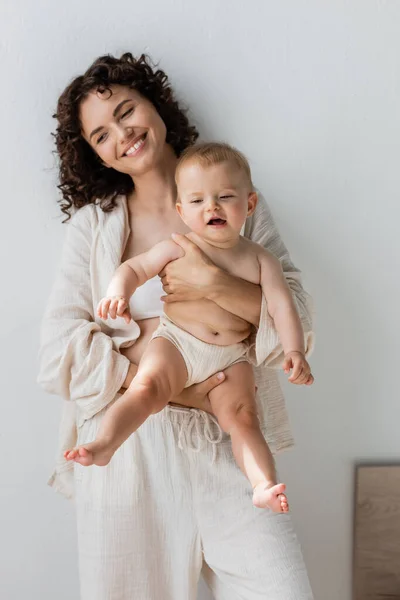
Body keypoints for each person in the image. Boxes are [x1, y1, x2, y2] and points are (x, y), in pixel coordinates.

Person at [38, 52, 315, 599]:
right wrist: (175, 362)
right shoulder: (95, 229)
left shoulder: (235, 201)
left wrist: (209, 284)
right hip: (130, 455)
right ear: (96, 155)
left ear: (156, 105)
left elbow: (298, 316)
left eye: (126, 110)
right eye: (101, 134)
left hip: (230, 439)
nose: (123, 133)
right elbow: (57, 352)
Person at [64, 141, 314, 514]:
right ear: (182, 211)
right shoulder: (178, 246)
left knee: (244, 416)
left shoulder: (261, 259)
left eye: (224, 196)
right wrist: (118, 291)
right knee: (147, 389)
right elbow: (135, 268)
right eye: (197, 201)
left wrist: (294, 351)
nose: (211, 206)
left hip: (230, 356)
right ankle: (105, 444)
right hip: (177, 342)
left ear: (249, 204)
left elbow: (282, 308)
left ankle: (262, 483)